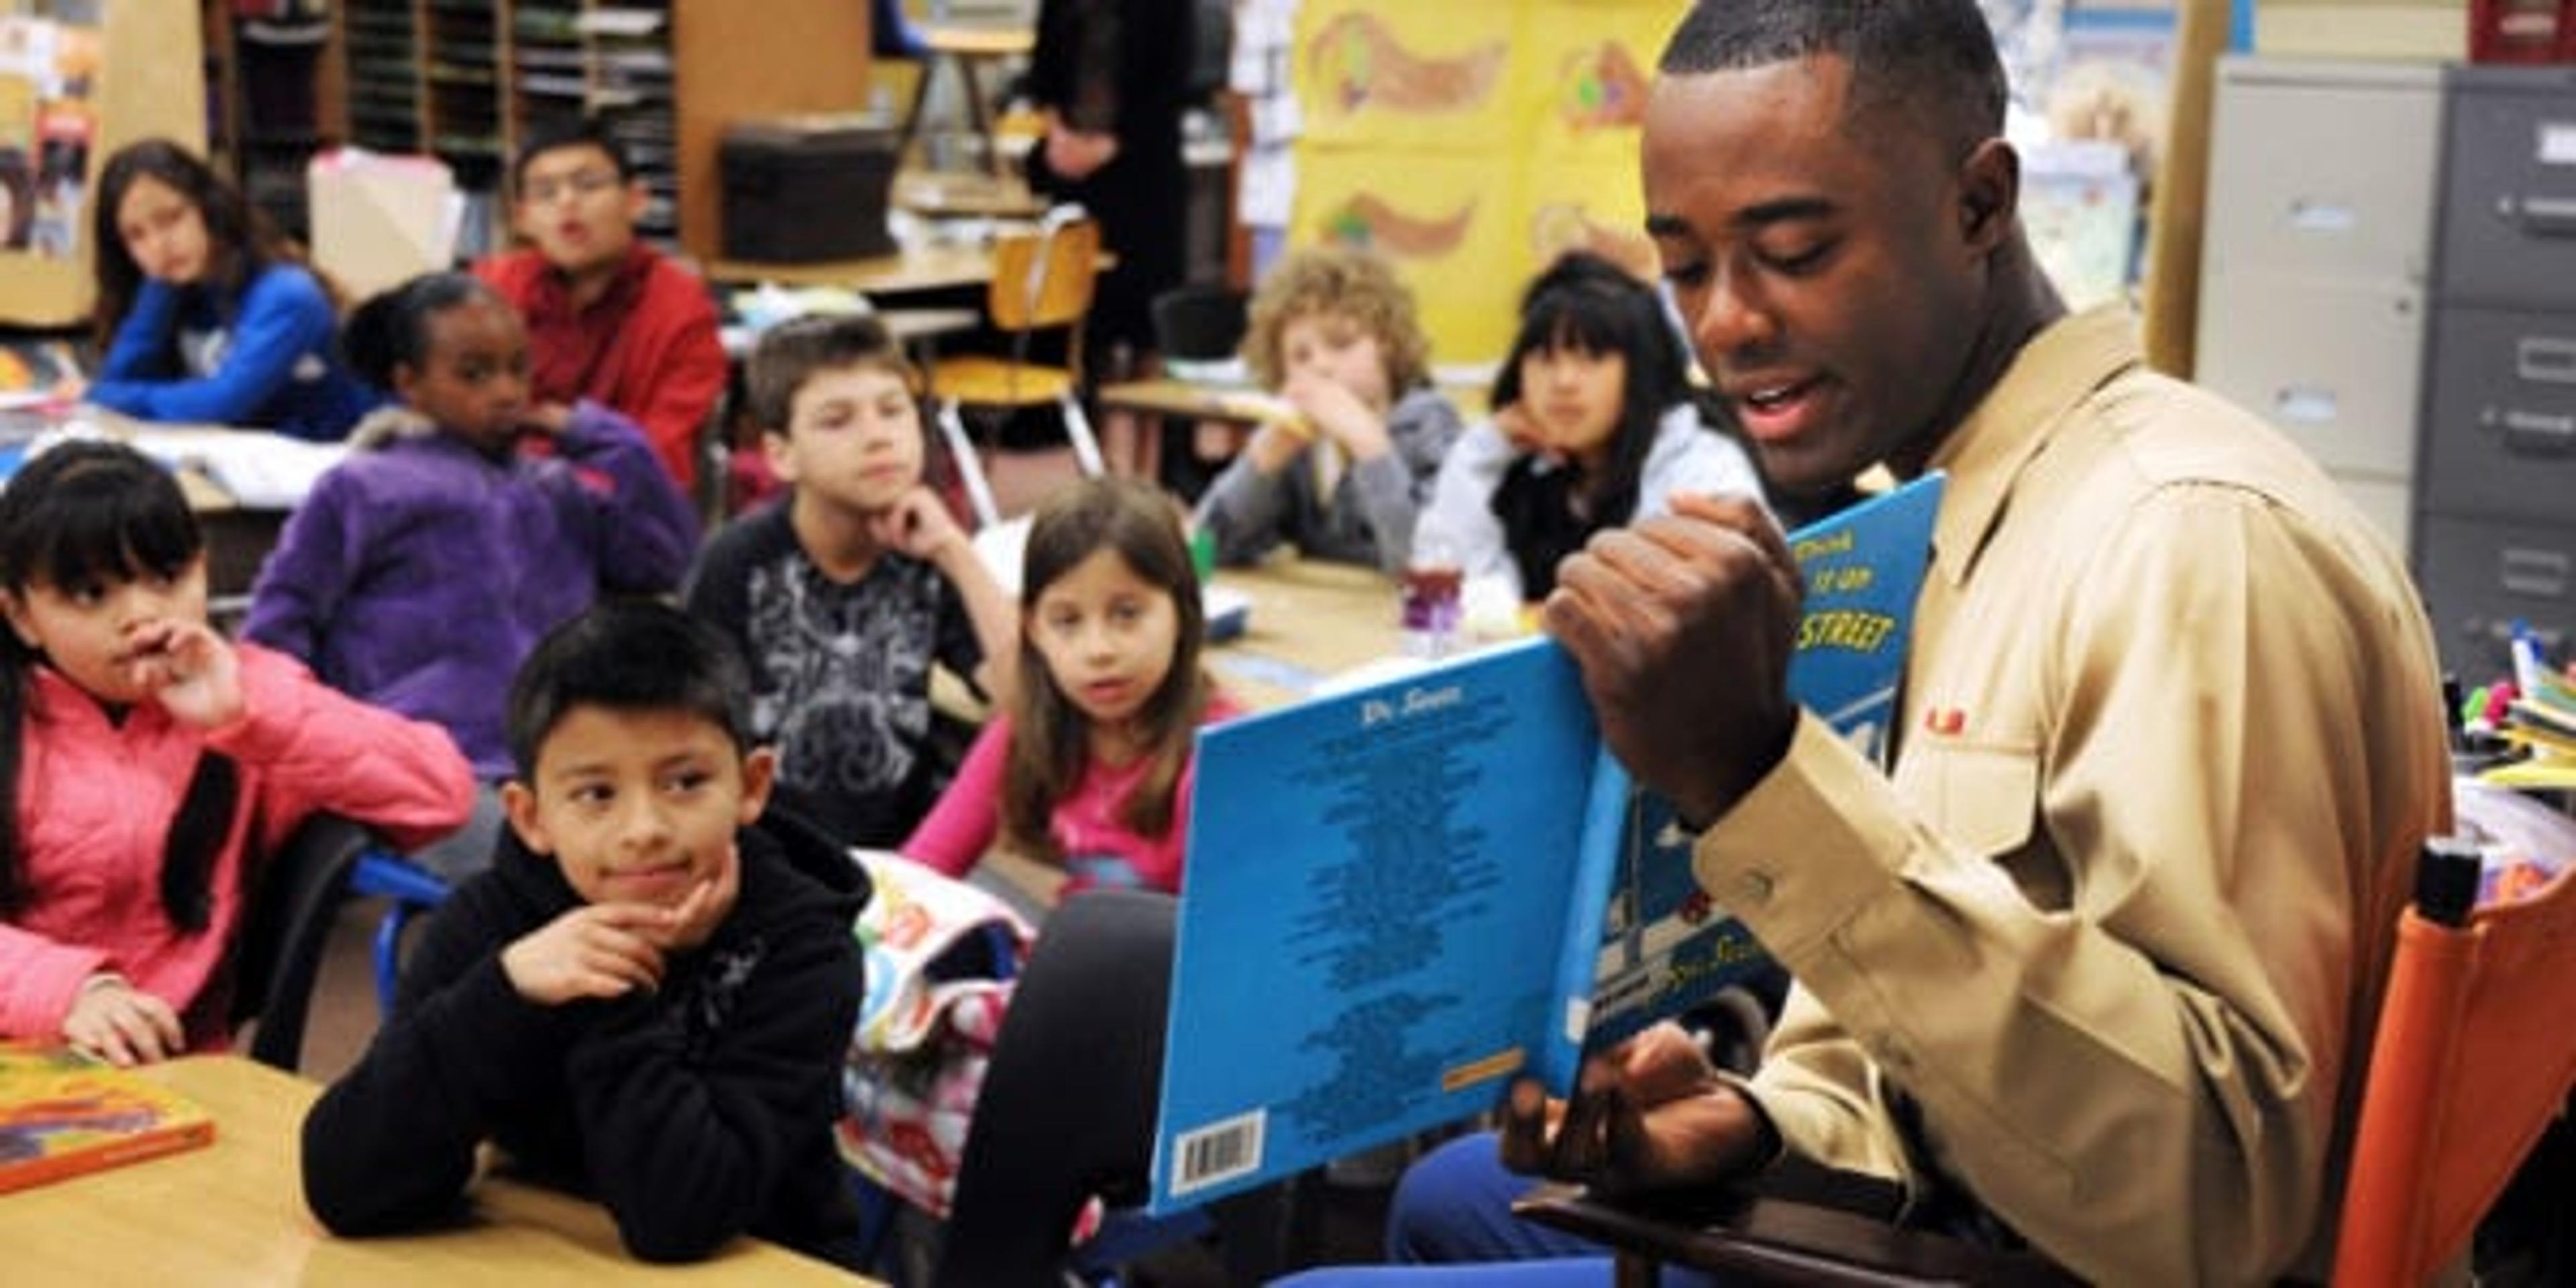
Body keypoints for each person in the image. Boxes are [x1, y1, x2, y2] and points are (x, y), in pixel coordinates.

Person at [1283, 3, 2453, 1285]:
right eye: (1683, 267)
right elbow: (1964, 1059)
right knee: (1458, 1190)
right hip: (1982, 1211)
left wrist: (1756, 774)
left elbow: (2215, 1204)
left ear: (1980, 204)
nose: (1724, 323)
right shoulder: (1941, 522)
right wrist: (1759, 1120)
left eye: (1791, 248)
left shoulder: (2182, 544)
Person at [299, 601, 873, 1271]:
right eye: (597, 794)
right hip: (549, 1254)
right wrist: (506, 993)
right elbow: (344, 1185)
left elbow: (680, 1219)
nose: (643, 829)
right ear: (530, 816)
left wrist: (612, 977)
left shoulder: (803, 947)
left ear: (751, 787)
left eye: (686, 782)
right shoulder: (491, 928)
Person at [0, 441, 474, 1065]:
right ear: (22, 616)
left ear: (204, 567)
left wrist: (251, 717)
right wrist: (69, 993)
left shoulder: (246, 698)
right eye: (90, 594)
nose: (140, 613)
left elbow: (442, 797)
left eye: (167, 578)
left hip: (170, 1080)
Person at [243, 272, 699, 879]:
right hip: (425, 768)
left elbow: (663, 558)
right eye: (475, 374)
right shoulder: (363, 487)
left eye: (519, 367)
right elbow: (278, 626)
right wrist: (323, 749)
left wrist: (598, 436)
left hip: (566, 755)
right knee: (557, 876)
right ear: (409, 383)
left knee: (684, 847)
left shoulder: (556, 486)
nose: (508, 391)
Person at [684, 313, 1017, 849]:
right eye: (838, 421)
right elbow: (687, 736)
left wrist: (956, 553)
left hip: (912, 854)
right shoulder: (737, 563)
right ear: (781, 454)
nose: (878, 437)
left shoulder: (930, 550)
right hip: (768, 856)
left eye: (893, 410)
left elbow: (1029, 703)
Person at [901, 476, 1238, 897]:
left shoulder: (1225, 755)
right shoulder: (1025, 731)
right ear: (1034, 629)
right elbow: (921, 872)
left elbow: (1229, 935)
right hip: (1066, 956)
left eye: (1127, 614)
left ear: (1183, 615)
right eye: (1067, 622)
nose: (1098, 650)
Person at [1413, 251, 1765, 602]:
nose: (1563, 382)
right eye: (1545, 358)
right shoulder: (1527, 466)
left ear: (1639, 372)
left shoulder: (1699, 469)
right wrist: (1482, 452)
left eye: (1591, 359)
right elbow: (1458, 596)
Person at [474, 119, 728, 492]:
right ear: (522, 218)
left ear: (636, 201)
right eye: (546, 192)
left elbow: (663, 454)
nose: (567, 203)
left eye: (588, 185)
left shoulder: (681, 307)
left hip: (618, 511)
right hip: (490, 498)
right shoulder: (493, 290)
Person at [72, 139, 378, 441]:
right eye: (136, 236)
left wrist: (103, 394)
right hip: (242, 460)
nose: (158, 246)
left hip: (330, 463)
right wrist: (158, 292)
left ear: (208, 207)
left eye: (170, 219)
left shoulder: (286, 293)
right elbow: (119, 382)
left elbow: (224, 401)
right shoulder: (177, 288)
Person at [1193, 245, 1463, 574]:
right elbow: (1205, 554)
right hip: (1317, 617)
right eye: (1301, 357)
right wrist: (1259, 465)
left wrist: (1370, 447)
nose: (1321, 366)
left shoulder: (1429, 423)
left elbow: (1426, 567)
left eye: (1341, 344)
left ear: (1388, 345)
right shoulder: (1298, 442)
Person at [1023, 0, 1194, 386]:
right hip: (1072, 167)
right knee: (1091, 316)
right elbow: (1042, 73)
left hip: (1144, 170)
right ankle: (1095, 428)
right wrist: (1058, 135)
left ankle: (1143, 436)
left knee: (1145, 320)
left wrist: (1110, 146)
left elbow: (1173, 86)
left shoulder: (1170, 9)